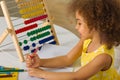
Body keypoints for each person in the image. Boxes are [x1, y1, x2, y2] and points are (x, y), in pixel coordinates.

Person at [25, 0, 120, 80]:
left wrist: (42, 74)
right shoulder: (86, 40)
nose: (76, 27)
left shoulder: (102, 57)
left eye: (79, 23)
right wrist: (41, 62)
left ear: (95, 25)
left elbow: (76, 77)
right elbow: (67, 59)